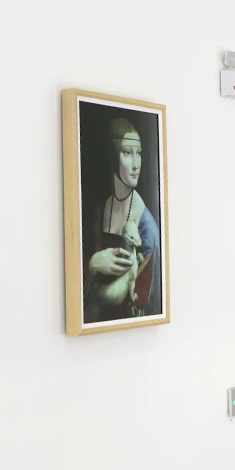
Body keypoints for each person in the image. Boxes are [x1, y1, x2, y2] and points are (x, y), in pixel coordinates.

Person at [83, 117, 162, 322]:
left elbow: (146, 304)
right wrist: (93, 264)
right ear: (113, 155)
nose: (135, 165)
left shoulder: (147, 228)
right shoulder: (100, 213)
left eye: (139, 153)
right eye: (127, 152)